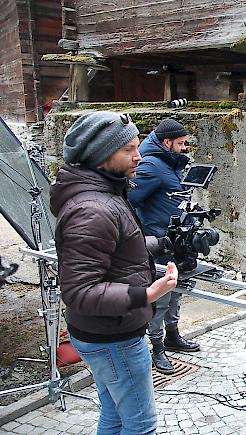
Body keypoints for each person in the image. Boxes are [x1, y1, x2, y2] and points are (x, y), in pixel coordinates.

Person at [50, 111, 179, 434]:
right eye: (128, 150)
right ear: (101, 155)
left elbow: (118, 247)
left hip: (104, 332)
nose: (139, 156)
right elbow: (78, 291)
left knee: (114, 414)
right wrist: (146, 294)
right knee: (140, 423)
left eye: (138, 146)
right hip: (114, 336)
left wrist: (164, 243)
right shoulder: (94, 208)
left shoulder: (106, 193)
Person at [128, 119, 200, 374]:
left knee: (176, 291)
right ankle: (157, 348)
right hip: (159, 240)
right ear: (166, 142)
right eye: (180, 143)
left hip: (176, 239)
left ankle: (173, 336)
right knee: (161, 296)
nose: (184, 147)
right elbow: (129, 201)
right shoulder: (150, 166)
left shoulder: (168, 163)